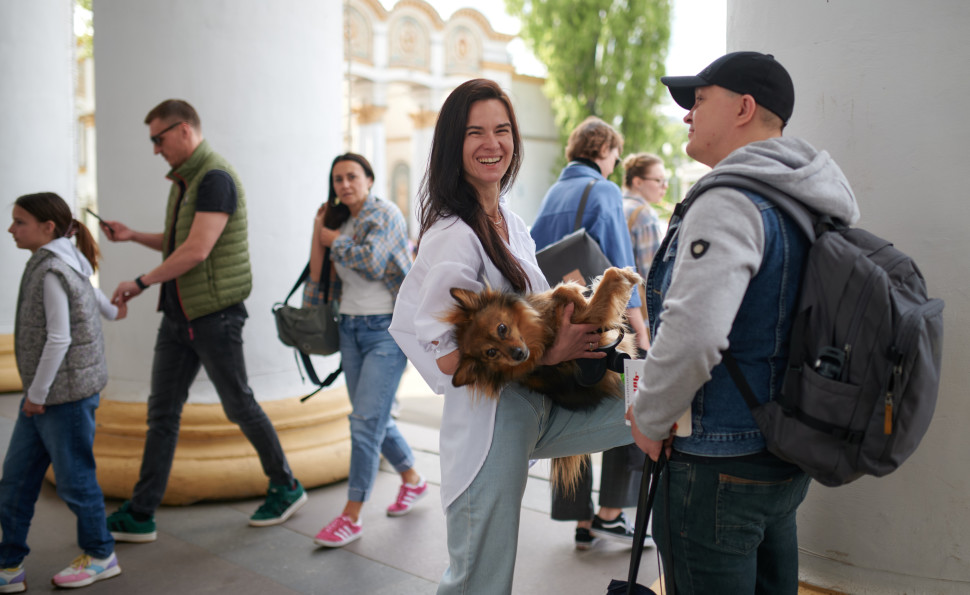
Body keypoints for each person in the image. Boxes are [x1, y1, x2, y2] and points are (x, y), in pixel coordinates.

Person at [389, 78, 634, 594]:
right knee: (480, 581)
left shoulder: (510, 224)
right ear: (453, 145)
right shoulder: (456, 236)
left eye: (502, 130)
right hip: (491, 425)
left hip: (541, 406)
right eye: (475, 132)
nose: (492, 143)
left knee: (659, 404)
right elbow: (448, 361)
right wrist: (546, 356)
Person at [629, 51, 859, 594]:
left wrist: (649, 416)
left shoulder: (730, 200)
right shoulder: (809, 200)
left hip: (715, 462)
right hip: (784, 452)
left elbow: (695, 333)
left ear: (744, 108)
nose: (687, 115)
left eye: (699, 100)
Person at [100, 99, 305, 541]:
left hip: (214, 318)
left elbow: (197, 251)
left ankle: (286, 485)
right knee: (162, 414)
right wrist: (133, 235)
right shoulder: (187, 181)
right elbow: (181, 242)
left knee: (239, 404)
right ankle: (140, 512)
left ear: (184, 131)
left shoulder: (214, 179)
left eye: (159, 138)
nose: (155, 149)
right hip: (179, 316)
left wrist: (140, 281)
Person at [530, 117, 651, 550]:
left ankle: (580, 520)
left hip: (556, 325)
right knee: (632, 404)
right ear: (603, 149)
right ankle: (612, 513)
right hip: (600, 324)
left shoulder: (553, 192)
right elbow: (619, 266)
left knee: (572, 411)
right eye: (615, 153)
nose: (616, 161)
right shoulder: (603, 190)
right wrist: (639, 326)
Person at [1, 193, 125, 591]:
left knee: (75, 481)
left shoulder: (53, 268)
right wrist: (113, 309)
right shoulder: (66, 257)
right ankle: (8, 565)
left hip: (61, 397)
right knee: (16, 481)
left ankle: (101, 554)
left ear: (47, 227)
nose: (11, 229)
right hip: (47, 396)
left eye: (19, 222)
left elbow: (59, 338)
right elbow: (95, 300)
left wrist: (35, 396)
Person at [306, 153, 426, 548]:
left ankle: (351, 516)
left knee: (363, 421)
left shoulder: (385, 213)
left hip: (385, 331)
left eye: (352, 176)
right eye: (338, 178)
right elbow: (318, 269)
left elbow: (373, 262)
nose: (345, 185)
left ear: (369, 179)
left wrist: (334, 239)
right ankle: (413, 480)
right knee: (371, 417)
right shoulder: (340, 221)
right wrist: (318, 230)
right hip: (349, 329)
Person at [620, 152, 667, 312]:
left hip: (617, 303)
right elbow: (652, 276)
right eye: (659, 180)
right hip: (639, 308)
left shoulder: (618, 206)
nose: (665, 186)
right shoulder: (644, 215)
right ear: (638, 182)